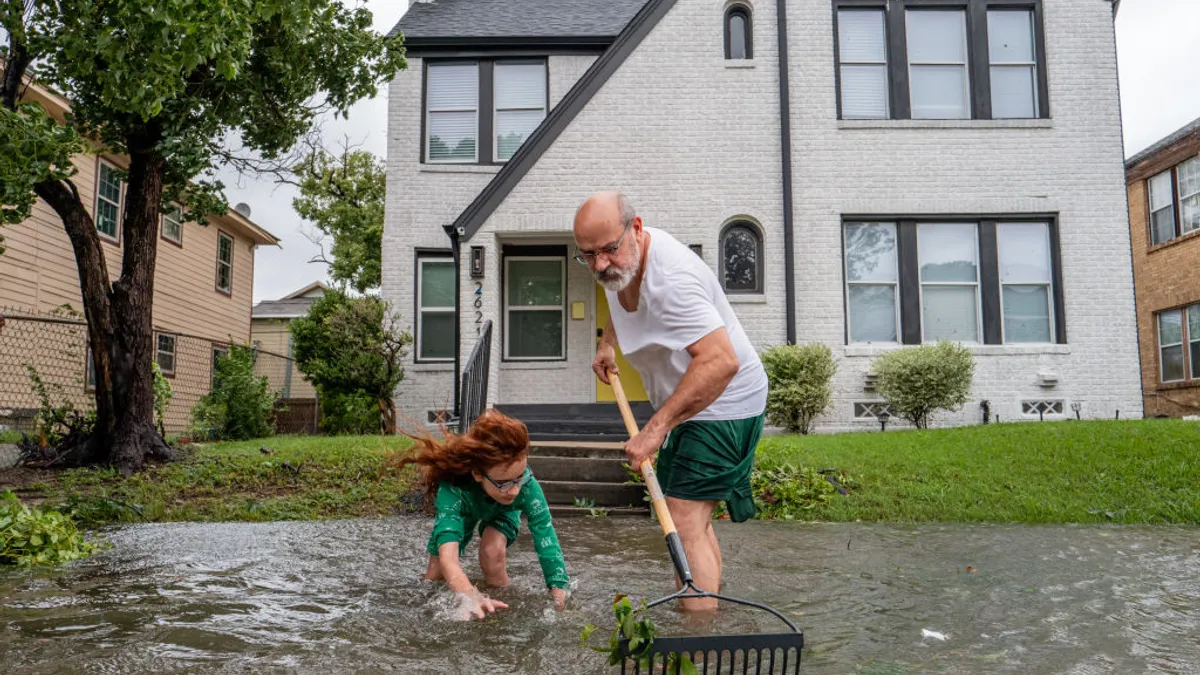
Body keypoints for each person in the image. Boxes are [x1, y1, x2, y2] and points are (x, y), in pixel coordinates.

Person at [573, 191, 768, 612]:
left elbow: (720, 362)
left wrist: (654, 430)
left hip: (724, 401)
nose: (600, 264)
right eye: (587, 255)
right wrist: (609, 343)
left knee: (681, 518)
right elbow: (616, 295)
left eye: (608, 250)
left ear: (636, 229)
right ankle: (707, 619)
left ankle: (695, 642)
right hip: (688, 403)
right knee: (693, 521)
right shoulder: (618, 264)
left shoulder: (673, 280)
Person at [396, 409, 570, 620]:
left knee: (492, 552)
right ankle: (465, 606)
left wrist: (559, 589)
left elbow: (546, 539)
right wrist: (469, 595)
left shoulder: (526, 488)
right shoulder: (453, 488)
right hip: (466, 507)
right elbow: (448, 558)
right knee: (435, 574)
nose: (514, 491)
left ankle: (499, 611)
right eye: (504, 483)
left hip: (503, 512)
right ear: (478, 474)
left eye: (519, 478)